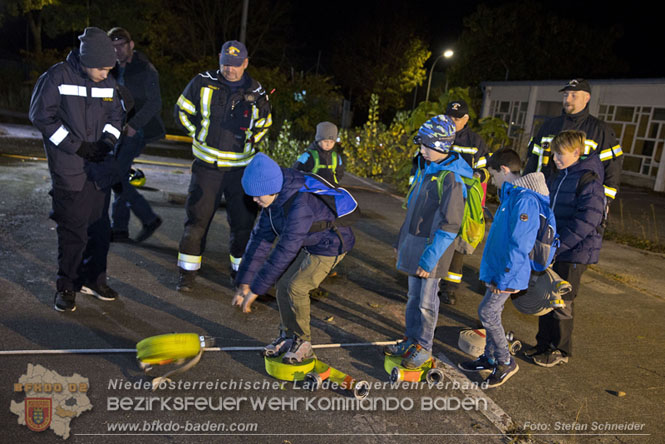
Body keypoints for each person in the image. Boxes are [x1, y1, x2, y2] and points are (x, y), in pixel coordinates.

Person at [29, 27, 123, 312]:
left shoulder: (108, 82)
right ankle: (67, 285)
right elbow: (41, 117)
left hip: (99, 170)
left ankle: (94, 280)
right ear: (86, 61)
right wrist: (77, 146)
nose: (106, 74)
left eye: (110, 68)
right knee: (73, 232)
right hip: (69, 169)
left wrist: (107, 141)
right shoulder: (57, 77)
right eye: (102, 68)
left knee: (100, 228)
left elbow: (117, 116)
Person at [232, 153, 355, 364]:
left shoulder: (300, 205)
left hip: (330, 245)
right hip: (309, 240)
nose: (254, 200)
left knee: (296, 287)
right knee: (282, 286)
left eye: (258, 195)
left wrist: (256, 289)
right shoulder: (273, 200)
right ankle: (288, 337)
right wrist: (244, 281)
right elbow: (260, 240)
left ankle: (303, 343)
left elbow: (285, 250)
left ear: (272, 189)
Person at [174, 40, 272, 291]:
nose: (231, 70)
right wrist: (198, 132)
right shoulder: (201, 82)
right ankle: (187, 274)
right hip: (207, 167)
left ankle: (242, 276)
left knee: (243, 225)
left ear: (246, 63)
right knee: (197, 221)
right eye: (227, 64)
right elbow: (181, 111)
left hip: (241, 170)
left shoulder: (257, 91)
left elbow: (265, 124)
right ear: (219, 59)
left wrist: (250, 139)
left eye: (236, 65)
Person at [458, 148, 550, 388]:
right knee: (490, 313)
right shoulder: (513, 195)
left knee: (487, 313)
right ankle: (489, 358)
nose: (492, 180)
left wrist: (506, 277)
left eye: (493, 175)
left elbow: (520, 243)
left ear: (505, 170)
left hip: (510, 272)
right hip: (502, 270)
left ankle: (505, 361)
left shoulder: (525, 199)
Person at [385, 114, 472, 369]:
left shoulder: (451, 179)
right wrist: (401, 240)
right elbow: (412, 210)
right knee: (413, 298)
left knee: (426, 302)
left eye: (426, 145)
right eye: (421, 145)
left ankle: (424, 347)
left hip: (433, 252)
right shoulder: (428, 169)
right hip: (416, 244)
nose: (422, 150)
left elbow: (450, 225)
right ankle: (411, 340)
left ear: (442, 145)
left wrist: (429, 258)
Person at [527, 130, 605, 367]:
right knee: (545, 295)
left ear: (576, 153)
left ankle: (560, 350)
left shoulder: (589, 181)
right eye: (554, 154)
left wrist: (557, 245)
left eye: (561, 154)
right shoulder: (556, 176)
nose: (556, 159)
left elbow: (586, 221)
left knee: (562, 301)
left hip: (574, 252)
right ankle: (543, 345)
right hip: (553, 247)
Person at [107, 27, 165, 243]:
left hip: (135, 131)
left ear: (130, 45)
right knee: (118, 176)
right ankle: (122, 229)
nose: (117, 50)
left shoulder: (145, 69)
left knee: (117, 175)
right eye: (112, 47)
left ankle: (142, 220)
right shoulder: (108, 68)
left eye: (121, 45)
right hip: (114, 132)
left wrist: (134, 124)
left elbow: (155, 103)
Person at [523, 78, 623, 205]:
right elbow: (533, 161)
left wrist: (604, 201)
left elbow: (612, 170)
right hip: (542, 197)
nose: (568, 99)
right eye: (565, 95)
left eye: (574, 95)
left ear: (587, 98)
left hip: (576, 202)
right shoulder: (549, 126)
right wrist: (525, 190)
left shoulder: (600, 131)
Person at [438, 100, 490, 305]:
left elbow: (486, 171)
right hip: (439, 196)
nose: (452, 121)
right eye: (449, 117)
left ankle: (450, 288)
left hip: (464, 200)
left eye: (457, 118)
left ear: (466, 119)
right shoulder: (438, 135)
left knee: (458, 246)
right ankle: (430, 280)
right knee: (436, 238)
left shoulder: (476, 142)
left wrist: (479, 176)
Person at [293, 121, 344, 186]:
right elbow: (296, 171)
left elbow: (340, 173)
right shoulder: (308, 156)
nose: (328, 144)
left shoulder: (336, 157)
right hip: (311, 190)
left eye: (332, 142)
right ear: (318, 140)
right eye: (325, 141)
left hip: (330, 189)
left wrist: (334, 183)